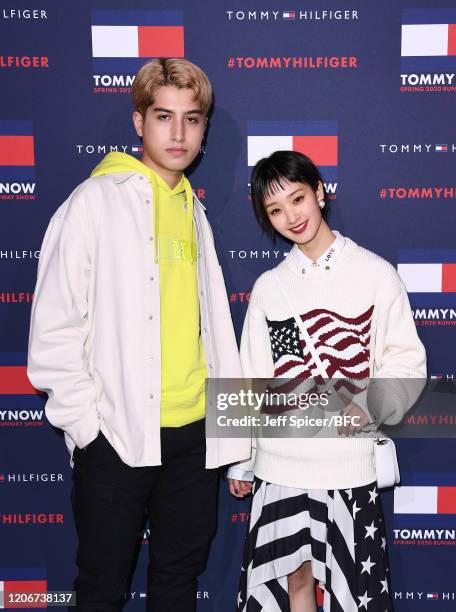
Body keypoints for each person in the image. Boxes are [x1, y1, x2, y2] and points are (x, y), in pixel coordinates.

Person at [27, 57, 249, 612]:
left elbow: (213, 334)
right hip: (118, 439)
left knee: (177, 586)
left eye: (192, 119)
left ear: (204, 129)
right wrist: (88, 432)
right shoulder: (93, 203)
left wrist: (231, 437)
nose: (178, 133)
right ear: (138, 123)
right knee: (102, 589)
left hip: (193, 438)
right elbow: (54, 330)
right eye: (163, 116)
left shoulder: (194, 214)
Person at [227, 150, 426, 611]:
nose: (291, 217)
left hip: (347, 463)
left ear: (319, 192)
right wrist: (241, 459)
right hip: (280, 466)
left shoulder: (375, 275)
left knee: (351, 593)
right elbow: (251, 378)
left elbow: (407, 362)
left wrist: (372, 404)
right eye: (275, 210)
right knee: (292, 586)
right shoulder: (269, 287)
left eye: (298, 199)